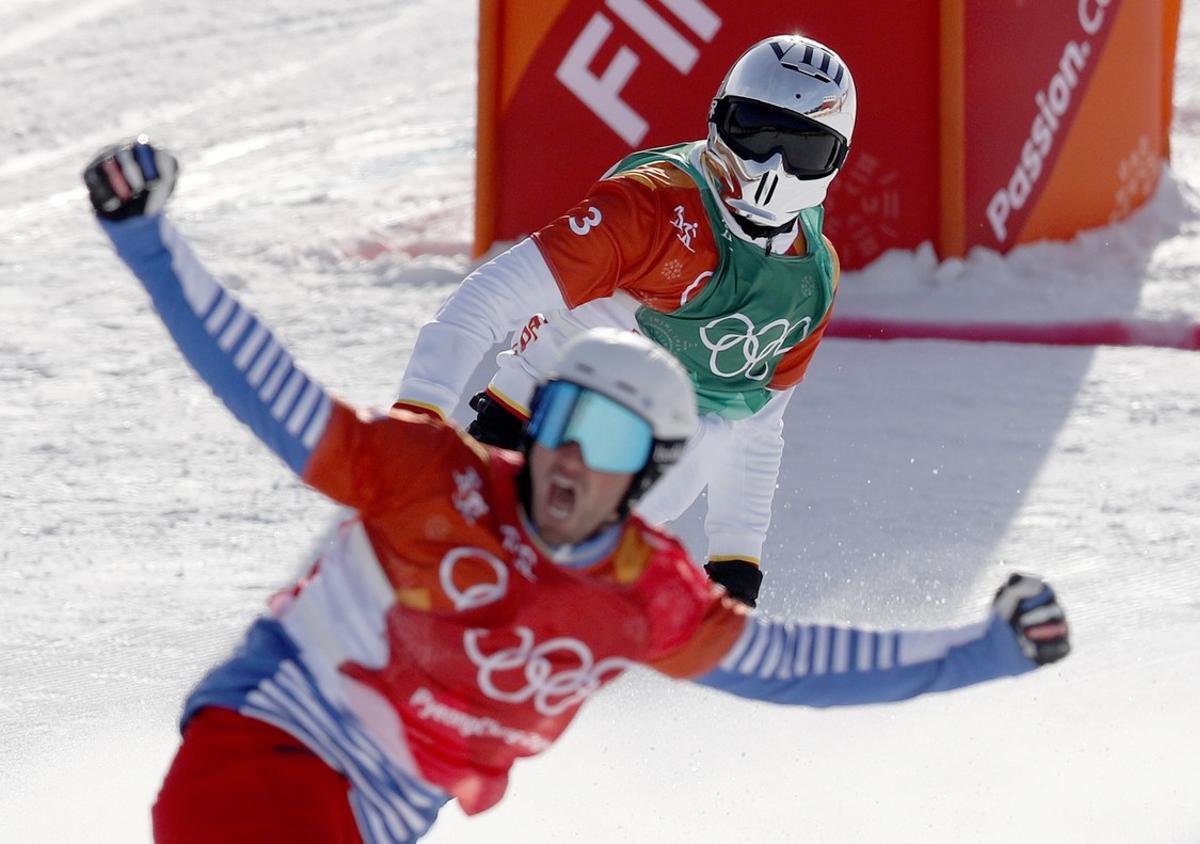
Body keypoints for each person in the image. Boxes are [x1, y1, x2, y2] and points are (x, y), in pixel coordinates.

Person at [84, 138, 1070, 844]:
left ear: (650, 473)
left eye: (602, 439)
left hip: (371, 819)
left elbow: (794, 664)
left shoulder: (646, 591)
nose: (563, 459)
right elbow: (268, 389)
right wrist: (148, 242)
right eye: (556, 424)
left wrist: (985, 650)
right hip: (269, 759)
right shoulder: (438, 479)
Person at [396, 33, 858, 607]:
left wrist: (736, 561)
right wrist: (417, 413)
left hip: (643, 485)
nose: (772, 166)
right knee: (426, 601)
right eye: (756, 133)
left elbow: (758, 425)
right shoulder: (653, 208)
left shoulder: (812, 277)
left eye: (803, 149)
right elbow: (491, 296)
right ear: (718, 119)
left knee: (713, 431)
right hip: (532, 435)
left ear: (834, 161)